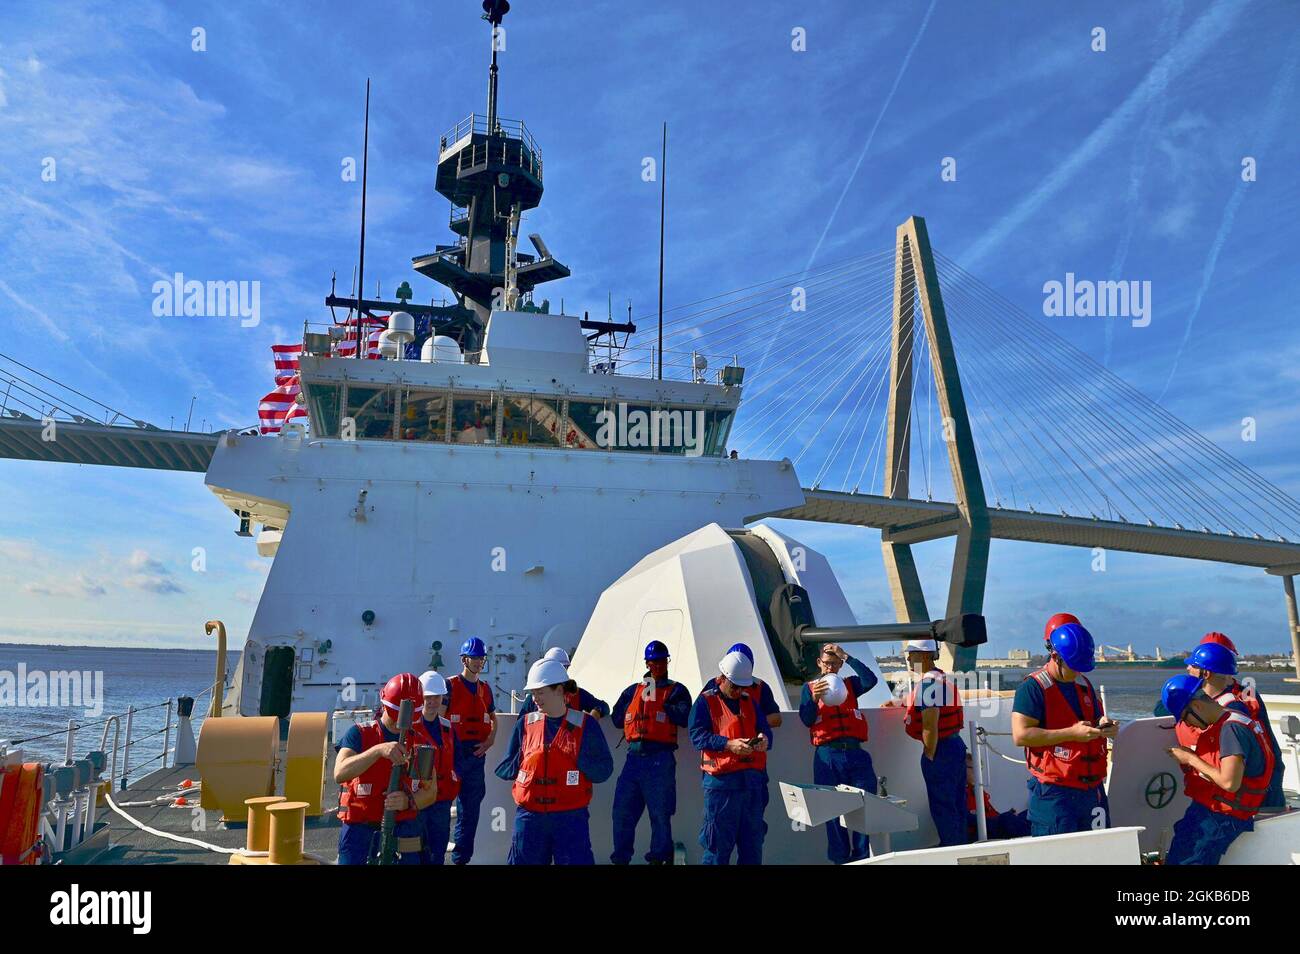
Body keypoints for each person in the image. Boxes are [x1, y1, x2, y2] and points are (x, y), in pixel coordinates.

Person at [494, 658, 613, 864]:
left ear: (559, 690)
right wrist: (530, 763)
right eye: (533, 693)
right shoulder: (525, 724)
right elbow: (506, 767)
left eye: (540, 692)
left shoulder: (586, 726)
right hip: (530, 818)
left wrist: (576, 756)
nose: (535, 699)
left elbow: (604, 770)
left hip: (570, 818)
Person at [1011, 616, 1118, 836]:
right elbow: (1021, 735)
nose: (1077, 673)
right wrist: (1071, 734)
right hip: (1054, 791)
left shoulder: (1082, 683)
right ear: (1055, 657)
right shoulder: (1033, 688)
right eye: (1073, 667)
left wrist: (1104, 725)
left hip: (1091, 790)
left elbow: (1096, 716)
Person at [1160, 674, 1276, 865]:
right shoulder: (1233, 718)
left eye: (1185, 718)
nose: (1187, 725)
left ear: (1196, 706)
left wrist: (1190, 758)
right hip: (1213, 812)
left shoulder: (1231, 729)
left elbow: (1230, 783)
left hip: (1220, 818)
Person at [334, 673, 436, 865]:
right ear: (384, 706)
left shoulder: (421, 743)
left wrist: (408, 801)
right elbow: (340, 772)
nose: (402, 726)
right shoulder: (359, 734)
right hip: (359, 830)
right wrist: (377, 751)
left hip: (403, 830)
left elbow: (431, 792)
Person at [609, 640, 692, 865]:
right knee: (622, 813)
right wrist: (637, 708)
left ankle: (659, 859)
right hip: (633, 759)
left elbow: (685, 717)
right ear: (646, 663)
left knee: (660, 814)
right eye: (653, 662)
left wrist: (660, 705)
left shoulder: (676, 690)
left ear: (667, 662)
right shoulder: (632, 691)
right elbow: (617, 719)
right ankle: (621, 858)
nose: (657, 665)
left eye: (661, 661)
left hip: (660, 759)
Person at [689, 650, 773, 864]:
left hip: (753, 786)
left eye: (742, 687)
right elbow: (697, 736)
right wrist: (728, 745)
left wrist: (764, 739)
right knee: (717, 850)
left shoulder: (750, 702)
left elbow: (765, 729)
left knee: (752, 849)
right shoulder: (705, 702)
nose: (738, 691)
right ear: (721, 679)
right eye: (734, 686)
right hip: (722, 788)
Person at [798, 642, 878, 863]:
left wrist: (848, 656)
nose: (830, 668)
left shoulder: (851, 685)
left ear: (840, 665)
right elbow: (806, 719)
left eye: (835, 663)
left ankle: (861, 857)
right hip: (828, 755)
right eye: (826, 663)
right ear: (819, 663)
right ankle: (840, 859)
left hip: (855, 753)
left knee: (864, 807)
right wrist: (814, 700)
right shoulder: (810, 688)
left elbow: (870, 679)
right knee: (832, 812)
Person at [1185, 639, 1286, 813]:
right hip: (1266, 788)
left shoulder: (1228, 714)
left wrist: (1189, 759)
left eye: (1193, 665)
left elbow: (1230, 781)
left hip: (1244, 802)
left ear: (1206, 673)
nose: (1187, 669)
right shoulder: (1246, 696)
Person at [902, 638, 968, 847]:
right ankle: (959, 847)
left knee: (943, 807)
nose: (909, 660)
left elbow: (930, 724)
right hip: (955, 746)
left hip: (941, 751)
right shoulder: (940, 679)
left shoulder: (928, 684)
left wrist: (929, 753)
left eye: (911, 655)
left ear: (924, 656)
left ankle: (951, 849)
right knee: (957, 805)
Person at [444, 637, 497, 864]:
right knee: (439, 807)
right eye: (474, 658)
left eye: (481, 658)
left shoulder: (485, 689)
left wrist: (490, 741)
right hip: (452, 756)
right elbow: (439, 719)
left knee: (470, 812)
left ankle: (460, 859)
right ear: (464, 659)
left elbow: (494, 719)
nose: (478, 662)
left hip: (476, 756)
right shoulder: (450, 685)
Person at [415, 670, 459, 865]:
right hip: (419, 800)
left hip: (442, 799)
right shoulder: (411, 727)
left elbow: (458, 758)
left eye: (437, 697)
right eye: (428, 697)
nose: (432, 701)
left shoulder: (448, 727)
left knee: (438, 850)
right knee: (416, 849)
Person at [519, 647, 611, 719]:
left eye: (563, 668)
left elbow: (604, 706)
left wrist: (596, 711)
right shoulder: (533, 698)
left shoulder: (577, 694)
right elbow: (521, 726)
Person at [965, 753, 1029, 840]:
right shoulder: (961, 793)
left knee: (1030, 813)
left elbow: (992, 813)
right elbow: (969, 819)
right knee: (1017, 820)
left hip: (993, 827)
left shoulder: (977, 791)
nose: (978, 773)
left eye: (980, 769)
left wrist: (1007, 815)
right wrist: (1003, 819)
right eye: (975, 768)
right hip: (983, 832)